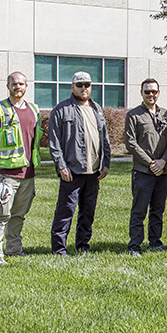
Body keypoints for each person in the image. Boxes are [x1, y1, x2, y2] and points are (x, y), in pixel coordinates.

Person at [0, 71, 43, 264]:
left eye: (21, 84)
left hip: (28, 173)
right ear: (8, 86)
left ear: (26, 86)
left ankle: (14, 249)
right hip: (5, 174)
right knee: (1, 215)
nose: (18, 87)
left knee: (19, 215)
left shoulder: (34, 109)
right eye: (14, 84)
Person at [48, 71, 111, 256]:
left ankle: (83, 245)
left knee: (88, 211)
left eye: (87, 85)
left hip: (94, 172)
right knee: (66, 211)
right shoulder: (61, 110)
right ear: (72, 87)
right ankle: (59, 248)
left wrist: (106, 162)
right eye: (80, 85)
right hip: (72, 170)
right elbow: (54, 142)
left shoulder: (97, 109)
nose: (84, 88)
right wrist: (61, 166)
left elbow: (104, 138)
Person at [123, 78, 167, 257]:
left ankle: (155, 242)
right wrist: (150, 162)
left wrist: (163, 161)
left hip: (163, 170)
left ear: (158, 93)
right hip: (143, 171)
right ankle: (135, 245)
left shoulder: (166, 115)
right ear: (142, 93)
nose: (151, 95)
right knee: (139, 210)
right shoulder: (134, 115)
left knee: (158, 209)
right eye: (147, 92)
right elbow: (130, 143)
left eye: (154, 91)